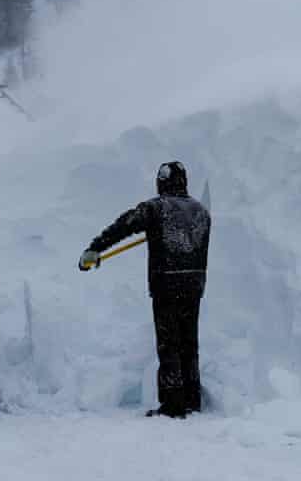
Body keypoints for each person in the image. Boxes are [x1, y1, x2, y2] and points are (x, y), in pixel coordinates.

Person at [79, 161, 211, 418]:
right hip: (194, 284)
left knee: (169, 343)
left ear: (162, 182)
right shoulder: (201, 211)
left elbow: (124, 225)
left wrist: (96, 247)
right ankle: (192, 398)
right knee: (188, 342)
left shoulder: (156, 208)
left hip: (166, 284)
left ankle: (173, 403)